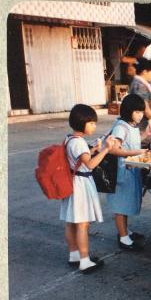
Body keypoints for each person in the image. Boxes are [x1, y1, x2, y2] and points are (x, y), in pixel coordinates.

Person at [60, 104, 115, 273]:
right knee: (82, 224)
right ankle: (85, 261)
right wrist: (105, 150)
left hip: (72, 182)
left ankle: (74, 255)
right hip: (81, 185)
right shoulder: (79, 143)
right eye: (91, 123)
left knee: (71, 221)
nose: (94, 126)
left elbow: (80, 158)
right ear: (81, 123)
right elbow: (90, 164)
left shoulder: (69, 139)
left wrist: (94, 149)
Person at [108, 94, 151, 251]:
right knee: (120, 204)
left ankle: (126, 231)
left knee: (126, 202)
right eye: (137, 112)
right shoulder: (121, 127)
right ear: (128, 111)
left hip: (130, 170)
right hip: (122, 172)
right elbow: (113, 148)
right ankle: (123, 237)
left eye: (142, 112)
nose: (141, 115)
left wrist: (145, 135)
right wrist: (136, 152)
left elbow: (129, 141)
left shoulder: (131, 125)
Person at [129, 57, 151, 132]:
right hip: (144, 126)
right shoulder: (140, 86)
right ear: (144, 72)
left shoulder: (144, 83)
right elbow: (146, 109)